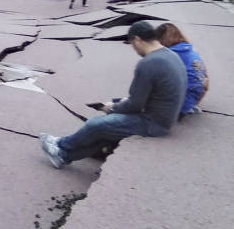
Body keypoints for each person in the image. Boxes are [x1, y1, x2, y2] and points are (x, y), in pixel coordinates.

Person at [38, 21, 186, 169]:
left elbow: (135, 105)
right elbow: (151, 95)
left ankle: (60, 146)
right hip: (165, 118)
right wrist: (118, 103)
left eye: (132, 44)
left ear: (137, 39)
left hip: (153, 123)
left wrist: (112, 108)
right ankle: (63, 156)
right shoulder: (171, 55)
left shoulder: (149, 63)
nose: (134, 49)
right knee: (107, 131)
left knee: (97, 124)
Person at [156, 23, 209, 116]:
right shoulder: (190, 50)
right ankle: (189, 106)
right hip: (194, 96)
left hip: (175, 105)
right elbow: (205, 77)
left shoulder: (171, 53)